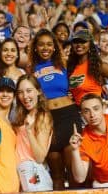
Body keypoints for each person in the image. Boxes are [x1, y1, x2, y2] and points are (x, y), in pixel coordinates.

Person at [29, 29, 83, 190]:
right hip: (47, 119)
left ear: (54, 47)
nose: (45, 48)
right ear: (35, 48)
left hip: (68, 116)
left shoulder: (64, 63)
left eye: (49, 44)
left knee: (73, 169)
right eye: (41, 45)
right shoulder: (31, 67)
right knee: (56, 172)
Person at [68, 29, 108, 107]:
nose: (79, 44)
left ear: (90, 44)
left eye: (83, 41)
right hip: (77, 114)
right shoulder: (70, 67)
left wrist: (107, 103)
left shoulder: (98, 65)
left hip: (97, 114)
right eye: (76, 42)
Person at [13, 74, 53, 192]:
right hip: (21, 171)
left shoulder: (42, 116)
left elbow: (40, 157)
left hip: (33, 170)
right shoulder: (22, 116)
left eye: (29, 91)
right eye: (20, 92)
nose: (25, 96)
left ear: (38, 92)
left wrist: (29, 131)